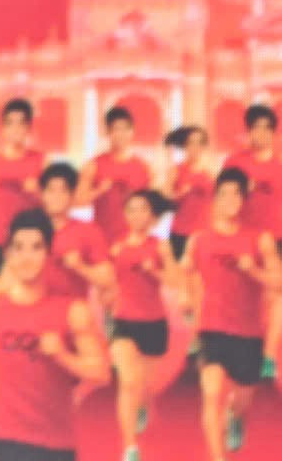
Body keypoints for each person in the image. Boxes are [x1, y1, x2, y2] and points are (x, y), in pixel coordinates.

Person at [0, 209, 108, 461]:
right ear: (7, 254)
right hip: (1, 438)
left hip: (55, 443)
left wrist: (62, 355)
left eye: (36, 248)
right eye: (19, 248)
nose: (26, 257)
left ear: (48, 254)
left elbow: (101, 372)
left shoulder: (72, 311)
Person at [182, 166, 282, 461]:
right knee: (211, 391)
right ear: (215, 200)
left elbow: (279, 282)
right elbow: (184, 271)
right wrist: (185, 295)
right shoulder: (199, 239)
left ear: (242, 202)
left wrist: (253, 270)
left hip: (248, 334)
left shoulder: (259, 240)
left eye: (236, 195)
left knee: (241, 397)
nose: (229, 200)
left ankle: (236, 416)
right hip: (212, 329)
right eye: (223, 195)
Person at [224, 103, 282, 379]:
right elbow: (223, 197)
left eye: (267, 128)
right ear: (248, 132)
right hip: (242, 239)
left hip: (276, 240)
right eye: (256, 128)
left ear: (274, 132)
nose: (262, 133)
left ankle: (268, 357)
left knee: (275, 298)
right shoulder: (235, 163)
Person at [108, 190, 177, 461]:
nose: (137, 215)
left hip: (154, 324)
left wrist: (156, 271)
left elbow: (174, 280)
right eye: (132, 209)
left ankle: (143, 407)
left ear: (151, 216)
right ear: (126, 215)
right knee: (128, 381)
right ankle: (130, 447)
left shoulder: (160, 246)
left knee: (145, 387)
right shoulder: (116, 247)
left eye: (143, 210)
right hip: (124, 322)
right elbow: (108, 281)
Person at [0, 98, 44, 277]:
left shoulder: (41, 161)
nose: (15, 129)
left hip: (31, 243)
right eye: (10, 124)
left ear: (28, 129)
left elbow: (56, 203)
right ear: (3, 129)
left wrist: (36, 192)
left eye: (21, 124)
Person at [36, 162, 113, 301]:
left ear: (72, 196)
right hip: (33, 315)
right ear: (42, 195)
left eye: (63, 190)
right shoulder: (28, 228)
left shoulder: (88, 231)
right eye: (51, 190)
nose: (56, 196)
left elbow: (107, 279)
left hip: (72, 315)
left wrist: (80, 267)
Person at [82, 106, 153, 244]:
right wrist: (99, 191)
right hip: (102, 239)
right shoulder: (94, 165)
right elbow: (77, 201)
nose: (121, 134)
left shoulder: (143, 167)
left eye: (126, 129)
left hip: (133, 242)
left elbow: (151, 210)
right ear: (108, 132)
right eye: (116, 129)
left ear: (132, 132)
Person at [163, 124, 215, 262]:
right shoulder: (176, 170)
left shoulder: (210, 172)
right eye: (191, 143)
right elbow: (165, 201)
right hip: (181, 232)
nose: (195, 147)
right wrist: (181, 193)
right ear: (185, 146)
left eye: (199, 143)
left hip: (204, 232)